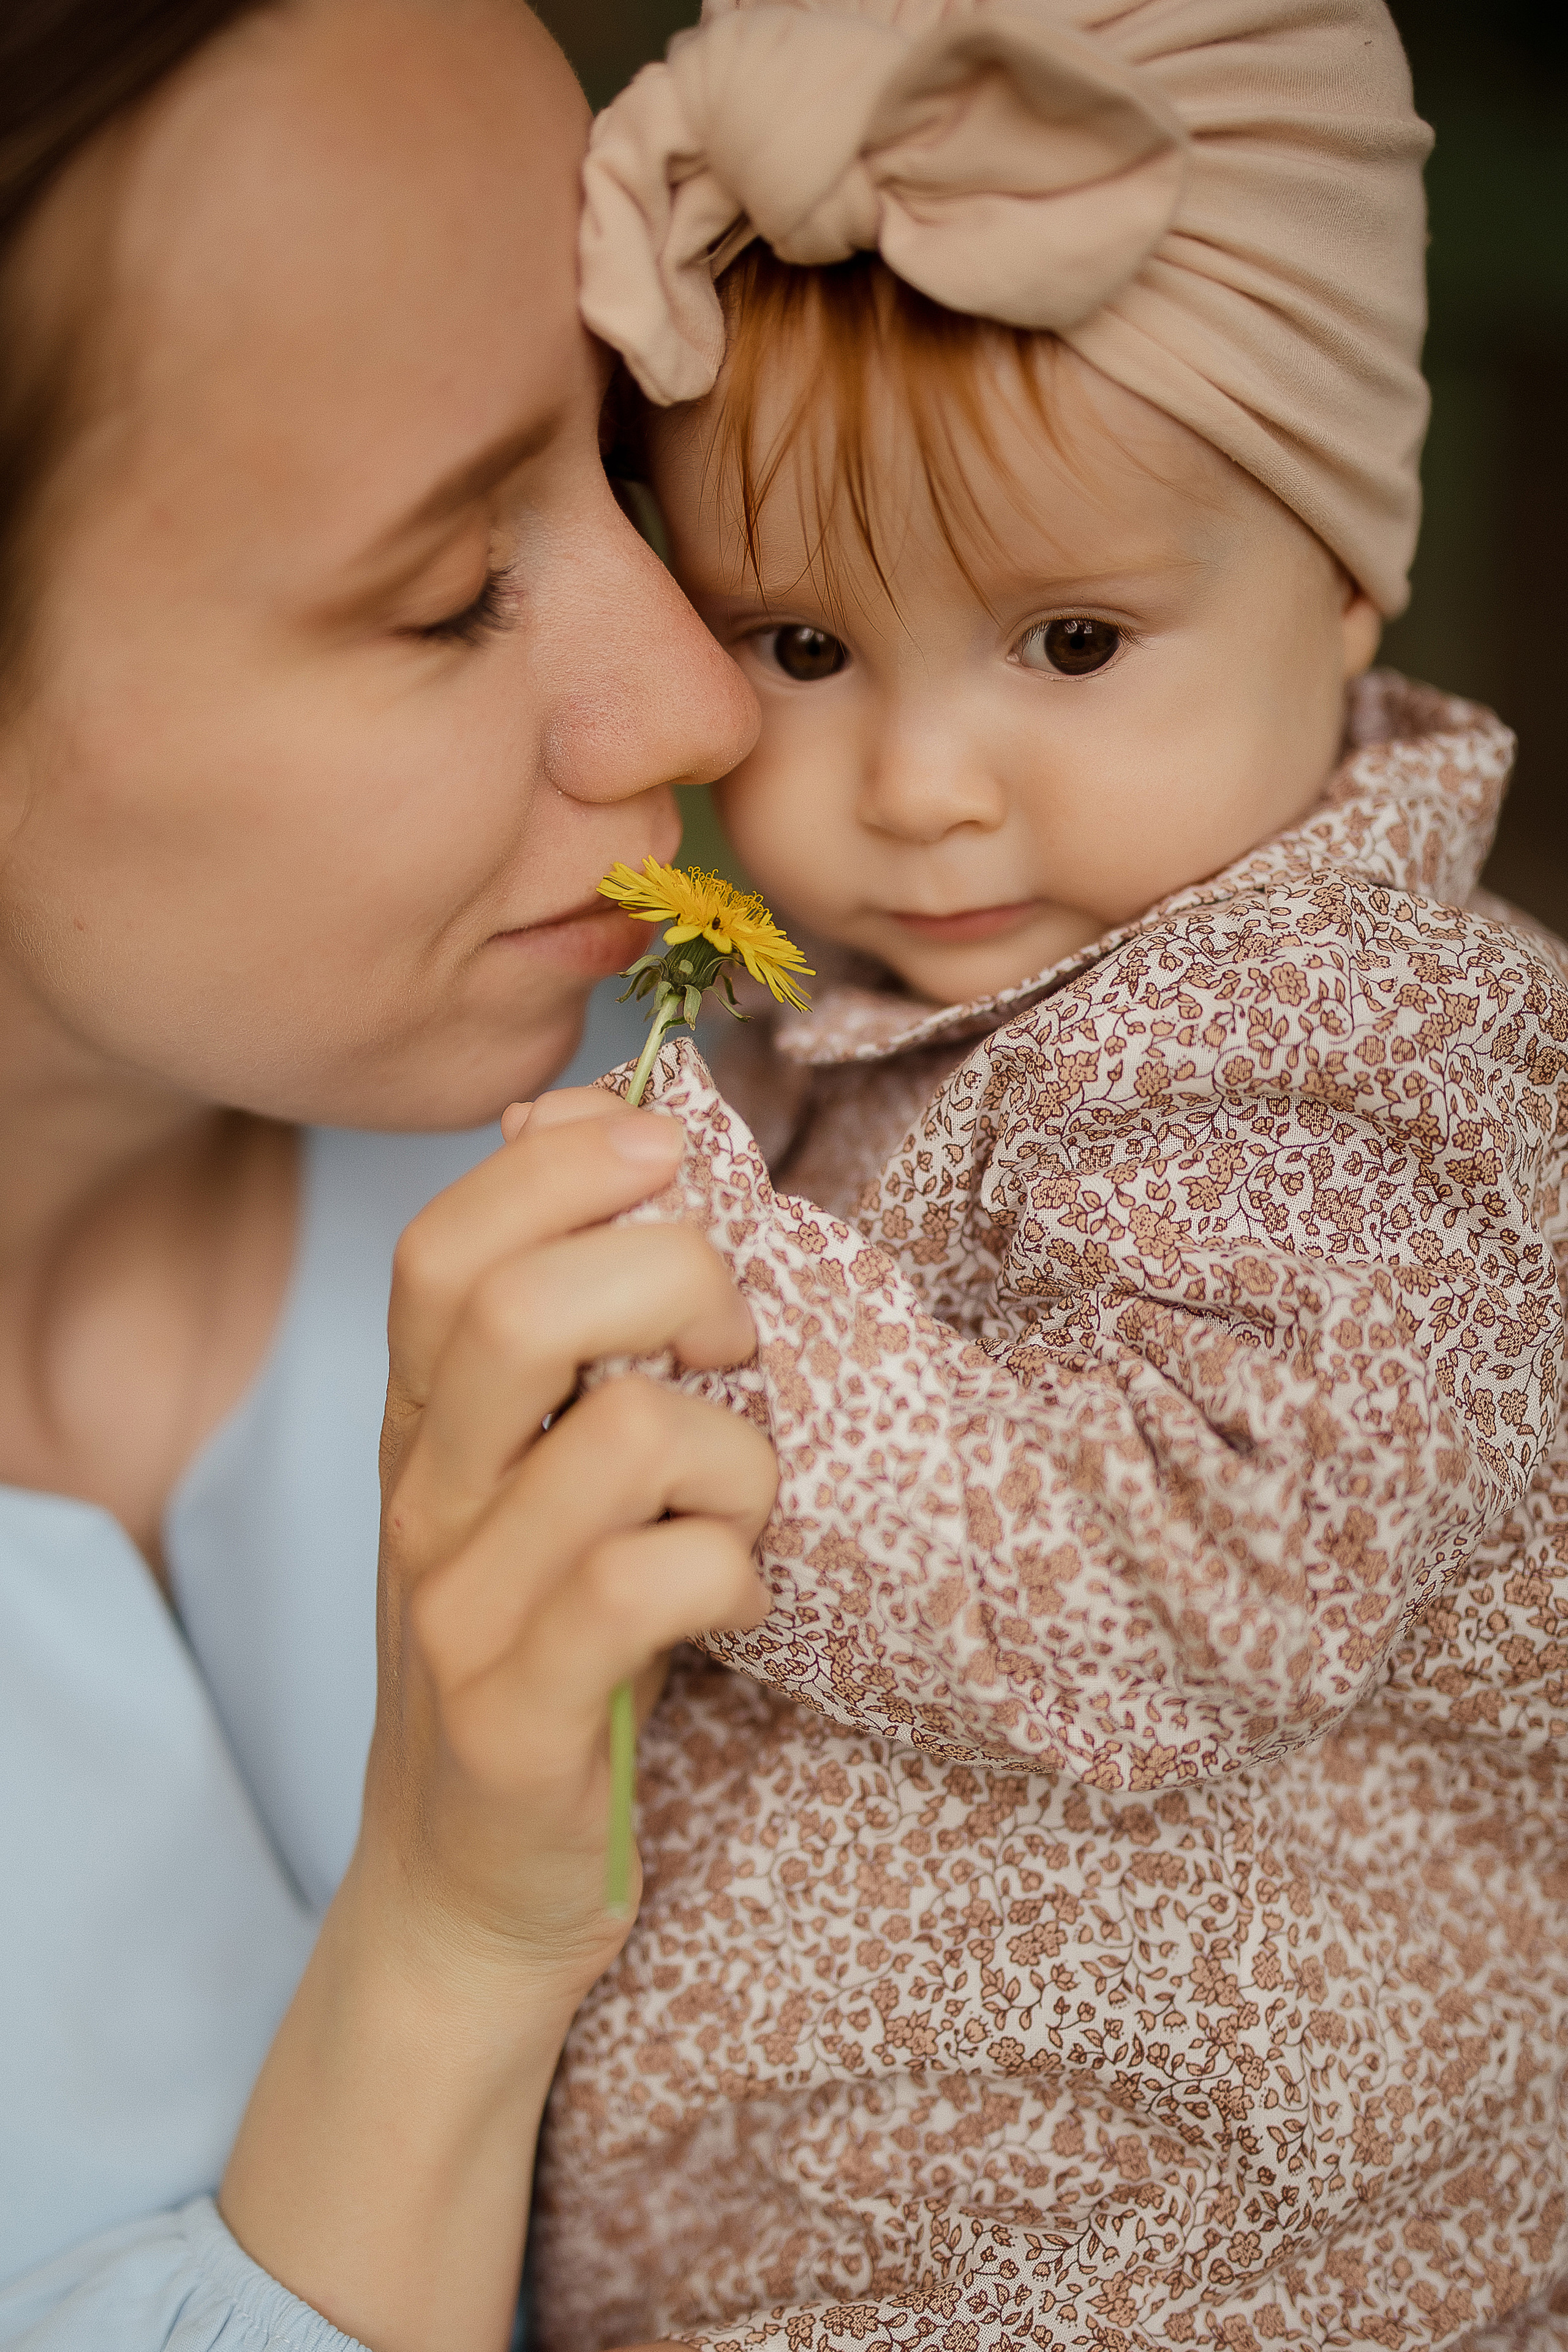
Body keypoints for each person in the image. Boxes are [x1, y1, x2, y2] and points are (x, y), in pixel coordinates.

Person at [530, 2, 1568, 2348]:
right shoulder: (890, 1014)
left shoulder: (1356, 1046)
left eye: (1070, 640)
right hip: (840, 2245)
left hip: (1218, 2255)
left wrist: (707, 1276)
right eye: (799, 644)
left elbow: (1183, 1590)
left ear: (1344, 590)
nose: (919, 780)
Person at [0, 3, 777, 2348]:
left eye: (628, 478)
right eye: (451, 592)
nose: (701, 707)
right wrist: (449, 1944)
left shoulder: (734, 1158)